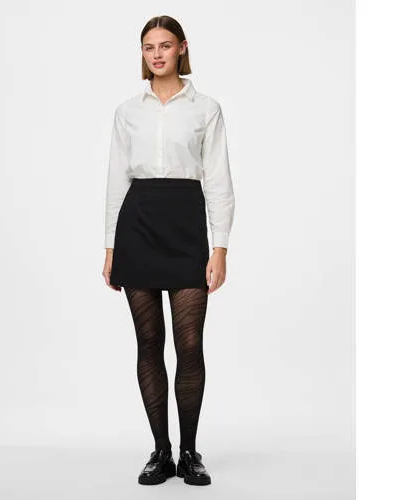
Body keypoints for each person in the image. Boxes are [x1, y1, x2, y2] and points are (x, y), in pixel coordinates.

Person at [102, 15, 235, 486]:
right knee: (148, 343)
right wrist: (110, 247)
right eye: (148, 47)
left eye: (164, 45)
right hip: (137, 225)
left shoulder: (206, 109)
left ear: (182, 47)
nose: (156, 54)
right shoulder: (127, 111)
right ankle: (160, 451)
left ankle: (189, 452)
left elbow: (218, 179)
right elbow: (116, 180)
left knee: (190, 345)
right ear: (142, 54)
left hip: (185, 227)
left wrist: (219, 247)